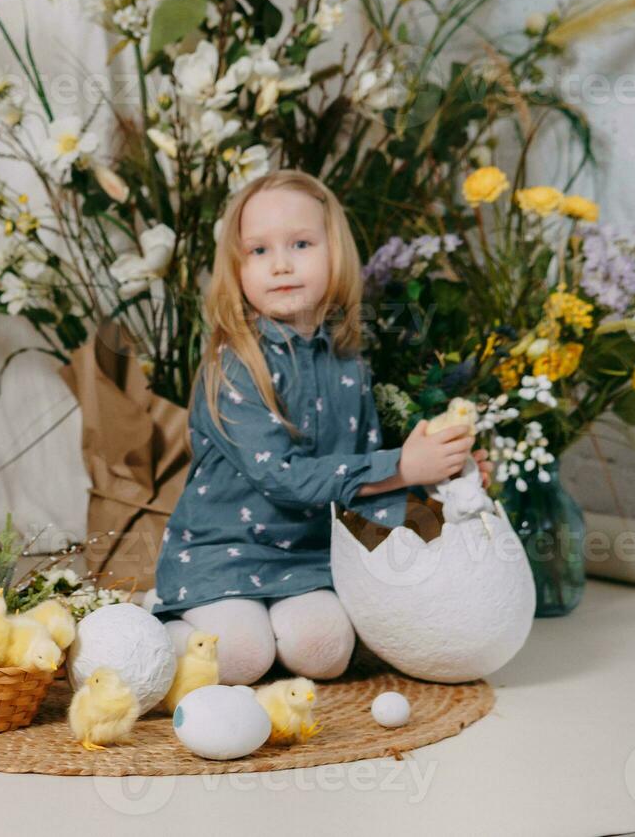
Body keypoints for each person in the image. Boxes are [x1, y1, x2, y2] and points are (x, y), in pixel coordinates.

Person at [151, 170, 490, 686]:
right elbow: (284, 478)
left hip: (308, 557)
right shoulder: (235, 364)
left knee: (324, 651)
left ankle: (270, 634)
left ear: (335, 251)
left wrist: (439, 482)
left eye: (301, 244)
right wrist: (402, 465)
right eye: (259, 251)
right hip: (222, 553)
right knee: (240, 657)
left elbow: (357, 486)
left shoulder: (348, 361)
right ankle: (162, 624)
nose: (282, 264)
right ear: (237, 268)